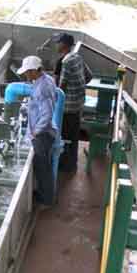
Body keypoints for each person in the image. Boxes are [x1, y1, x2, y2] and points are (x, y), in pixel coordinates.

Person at [17, 56, 57, 207]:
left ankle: (47, 200)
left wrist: (36, 132)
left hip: (43, 134)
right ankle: (43, 193)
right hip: (43, 131)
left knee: (43, 167)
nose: (26, 75)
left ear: (35, 70)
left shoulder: (42, 87)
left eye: (27, 72)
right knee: (42, 165)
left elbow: (47, 113)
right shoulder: (46, 80)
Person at [55, 33, 92, 173]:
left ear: (64, 44)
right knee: (74, 136)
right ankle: (73, 164)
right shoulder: (77, 57)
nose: (56, 45)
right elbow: (89, 76)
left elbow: (61, 88)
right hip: (78, 105)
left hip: (68, 108)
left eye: (58, 42)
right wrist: (77, 89)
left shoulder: (66, 62)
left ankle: (65, 167)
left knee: (65, 137)